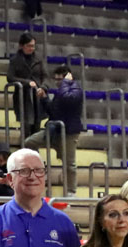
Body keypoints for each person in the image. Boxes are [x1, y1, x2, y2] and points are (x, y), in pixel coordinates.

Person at [22, 66, 83, 194]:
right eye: (56, 80)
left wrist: (66, 82)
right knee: (29, 142)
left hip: (69, 133)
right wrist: (44, 98)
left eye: (60, 80)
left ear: (68, 78)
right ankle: (40, 168)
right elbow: (53, 111)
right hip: (54, 131)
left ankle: (71, 191)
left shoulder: (76, 90)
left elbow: (67, 99)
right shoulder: (61, 91)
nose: (57, 82)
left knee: (69, 164)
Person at [7, 32, 46, 139]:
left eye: (33, 46)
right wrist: (27, 82)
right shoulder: (15, 60)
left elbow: (46, 76)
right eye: (28, 46)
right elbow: (10, 77)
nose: (31, 48)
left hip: (37, 95)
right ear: (21, 46)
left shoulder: (39, 59)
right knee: (26, 126)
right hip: (23, 97)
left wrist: (43, 87)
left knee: (37, 126)